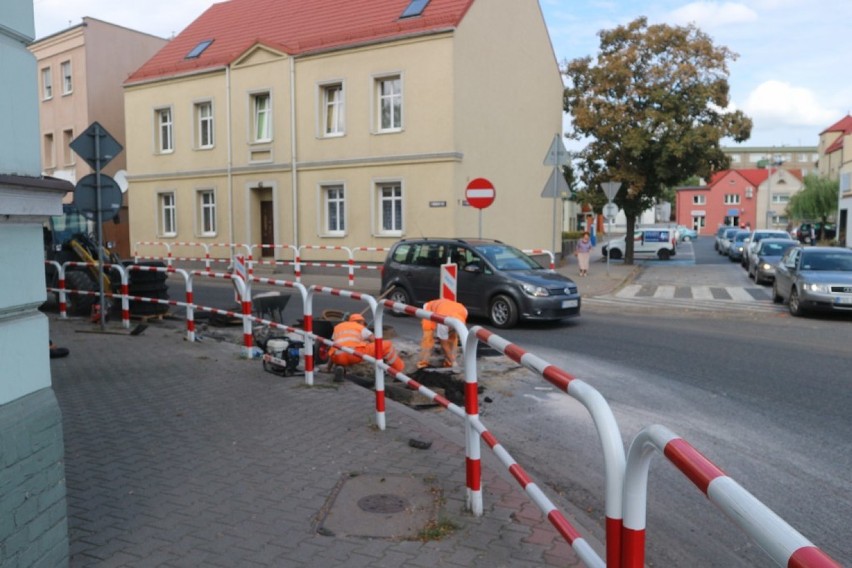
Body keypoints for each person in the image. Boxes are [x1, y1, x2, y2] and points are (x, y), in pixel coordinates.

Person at [327, 314, 404, 380]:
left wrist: (328, 368)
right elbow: (375, 341)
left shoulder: (338, 327)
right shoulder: (360, 327)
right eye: (364, 323)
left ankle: (340, 367)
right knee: (386, 345)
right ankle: (400, 372)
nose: (364, 325)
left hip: (337, 356)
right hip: (353, 355)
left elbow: (334, 346)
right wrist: (366, 343)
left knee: (341, 351)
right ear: (360, 322)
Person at [417, 298, 468, 369]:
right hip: (429, 310)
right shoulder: (443, 323)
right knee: (428, 338)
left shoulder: (464, 312)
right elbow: (443, 344)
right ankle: (423, 363)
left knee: (452, 338)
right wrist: (454, 362)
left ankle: (448, 363)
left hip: (444, 308)